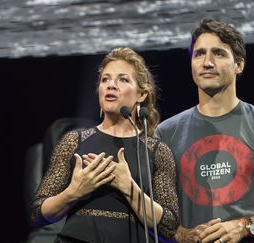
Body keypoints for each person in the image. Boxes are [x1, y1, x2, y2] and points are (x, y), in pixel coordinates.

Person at [155, 18, 254, 243]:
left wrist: (244, 226)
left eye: (218, 53)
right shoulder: (166, 132)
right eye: (199, 54)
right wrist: (181, 234)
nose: (207, 62)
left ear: (239, 65)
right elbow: (153, 211)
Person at [31, 47, 179, 243]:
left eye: (123, 79)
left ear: (141, 94)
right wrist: (73, 192)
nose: (111, 85)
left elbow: (169, 226)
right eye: (105, 79)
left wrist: (127, 186)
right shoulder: (74, 141)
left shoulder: (157, 151)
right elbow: (38, 214)